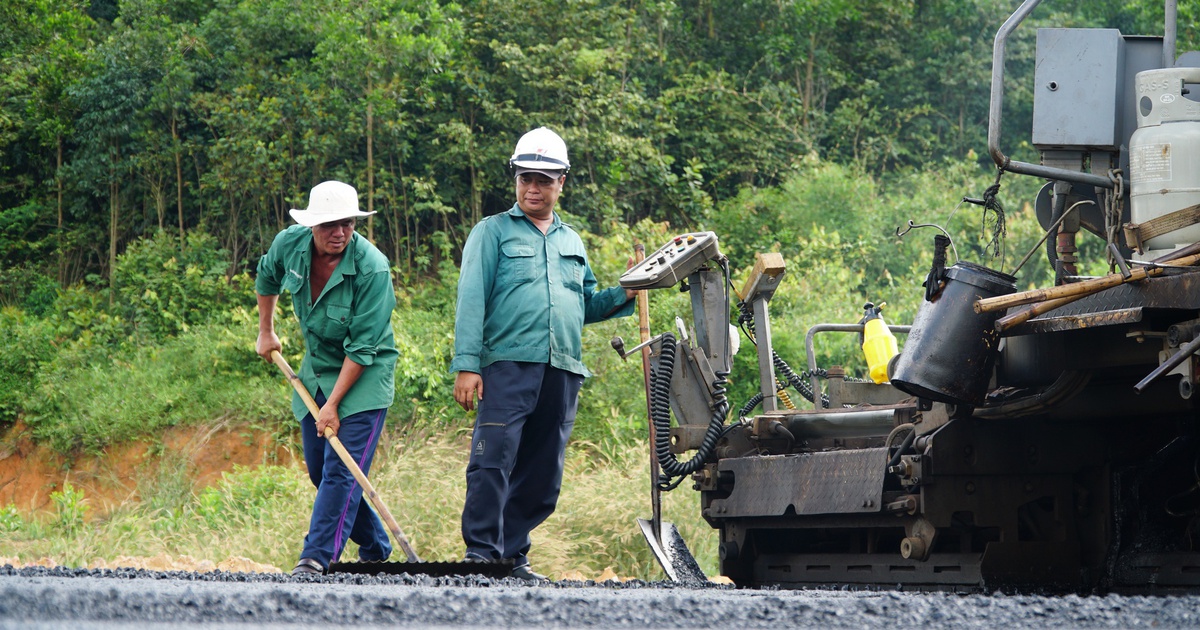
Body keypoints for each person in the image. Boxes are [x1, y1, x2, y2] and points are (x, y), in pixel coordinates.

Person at [451, 127, 636, 581]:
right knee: (493, 458)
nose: (533, 188)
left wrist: (628, 290)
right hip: (507, 365)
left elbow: (585, 303)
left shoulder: (572, 241)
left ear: (562, 183)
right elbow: (471, 299)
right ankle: (481, 554)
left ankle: (512, 555)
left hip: (562, 368)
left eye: (543, 180)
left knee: (542, 473)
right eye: (525, 178)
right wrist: (467, 365)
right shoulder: (491, 232)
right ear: (516, 180)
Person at [255, 180, 399, 576]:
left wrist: (333, 405)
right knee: (322, 470)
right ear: (312, 225)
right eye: (330, 225)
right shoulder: (290, 245)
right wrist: (266, 330)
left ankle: (316, 556)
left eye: (348, 224)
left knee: (340, 470)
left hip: (364, 375)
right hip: (317, 370)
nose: (339, 233)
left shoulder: (372, 268)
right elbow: (267, 277)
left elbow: (362, 348)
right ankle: (374, 544)